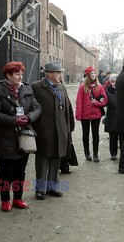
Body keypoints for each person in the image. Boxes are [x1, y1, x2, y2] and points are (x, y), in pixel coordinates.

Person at [0, 62, 42, 212]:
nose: (21, 76)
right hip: (5, 137)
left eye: (21, 73)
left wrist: (29, 117)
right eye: (17, 74)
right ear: (8, 75)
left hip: (23, 136)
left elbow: (37, 108)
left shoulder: (26, 89)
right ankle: (5, 200)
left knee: (20, 170)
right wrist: (14, 120)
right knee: (6, 171)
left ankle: (18, 198)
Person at [32, 61, 74, 200]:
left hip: (60, 131)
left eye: (61, 72)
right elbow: (31, 109)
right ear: (49, 74)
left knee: (56, 160)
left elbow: (68, 109)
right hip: (44, 131)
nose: (61, 75)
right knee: (42, 161)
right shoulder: (37, 87)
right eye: (58, 72)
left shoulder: (61, 88)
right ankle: (40, 189)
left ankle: (52, 187)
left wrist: (68, 129)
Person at [75, 66, 108, 162]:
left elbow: (105, 100)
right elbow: (79, 101)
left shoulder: (100, 86)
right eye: (91, 74)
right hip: (85, 114)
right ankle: (87, 153)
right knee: (85, 134)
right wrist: (78, 115)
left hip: (96, 114)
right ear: (88, 75)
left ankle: (95, 154)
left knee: (95, 134)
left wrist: (96, 103)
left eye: (94, 73)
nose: (93, 75)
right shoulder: (82, 87)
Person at [104, 74, 121, 160]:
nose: (114, 83)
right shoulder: (107, 91)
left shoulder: (122, 91)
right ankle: (113, 154)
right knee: (113, 137)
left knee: (122, 136)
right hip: (111, 117)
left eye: (116, 82)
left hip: (121, 117)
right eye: (112, 82)